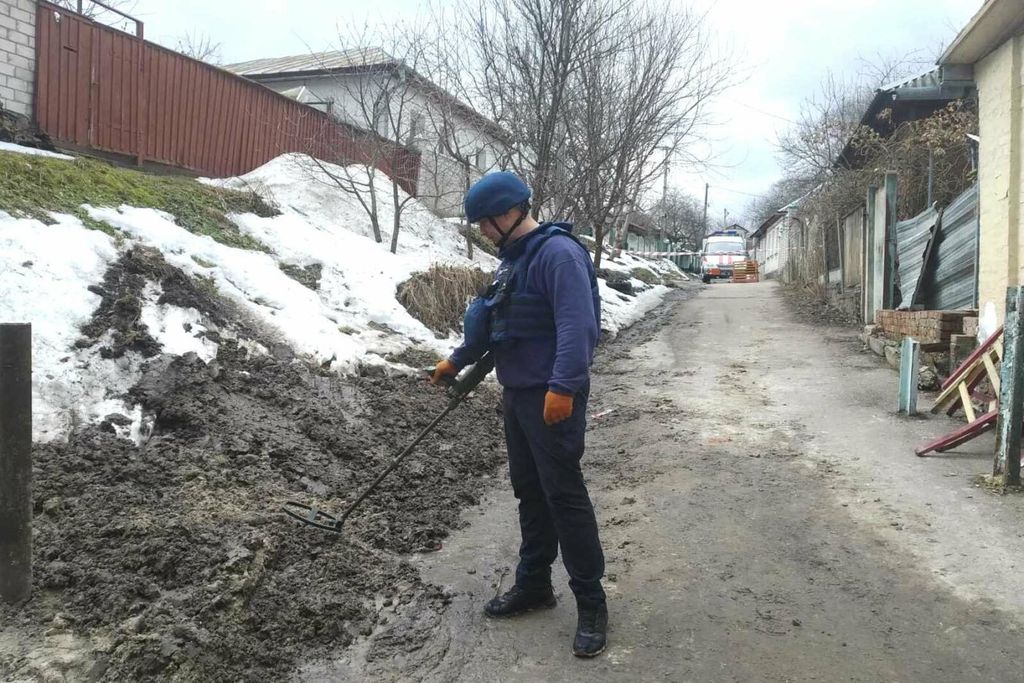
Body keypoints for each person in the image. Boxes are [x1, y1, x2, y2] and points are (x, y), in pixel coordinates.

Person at [431, 171, 608, 658]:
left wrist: (564, 386)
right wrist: (457, 359)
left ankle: (592, 603)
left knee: (564, 497)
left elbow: (579, 325)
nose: (483, 232)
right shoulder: (513, 262)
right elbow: (495, 321)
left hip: (552, 398)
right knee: (530, 492)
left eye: (485, 223)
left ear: (509, 213)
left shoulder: (559, 254)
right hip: (518, 395)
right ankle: (534, 585)